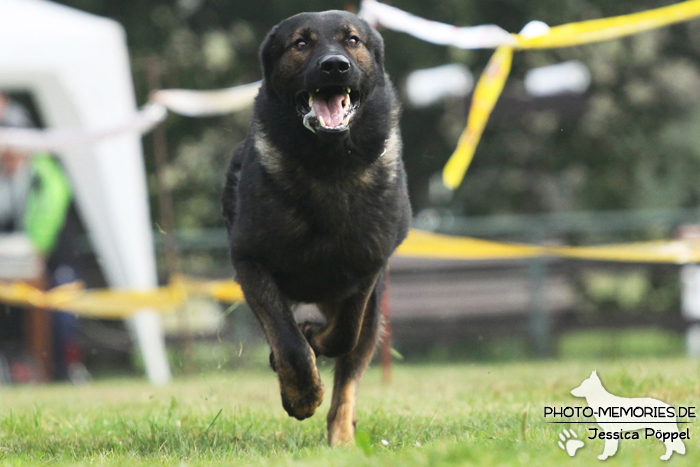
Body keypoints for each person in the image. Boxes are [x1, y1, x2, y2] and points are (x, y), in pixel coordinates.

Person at [0, 92, 89, 383]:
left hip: (52, 258)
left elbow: (51, 210)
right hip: (16, 264)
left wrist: (35, 249)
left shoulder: (44, 173)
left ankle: (64, 371)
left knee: (61, 314)